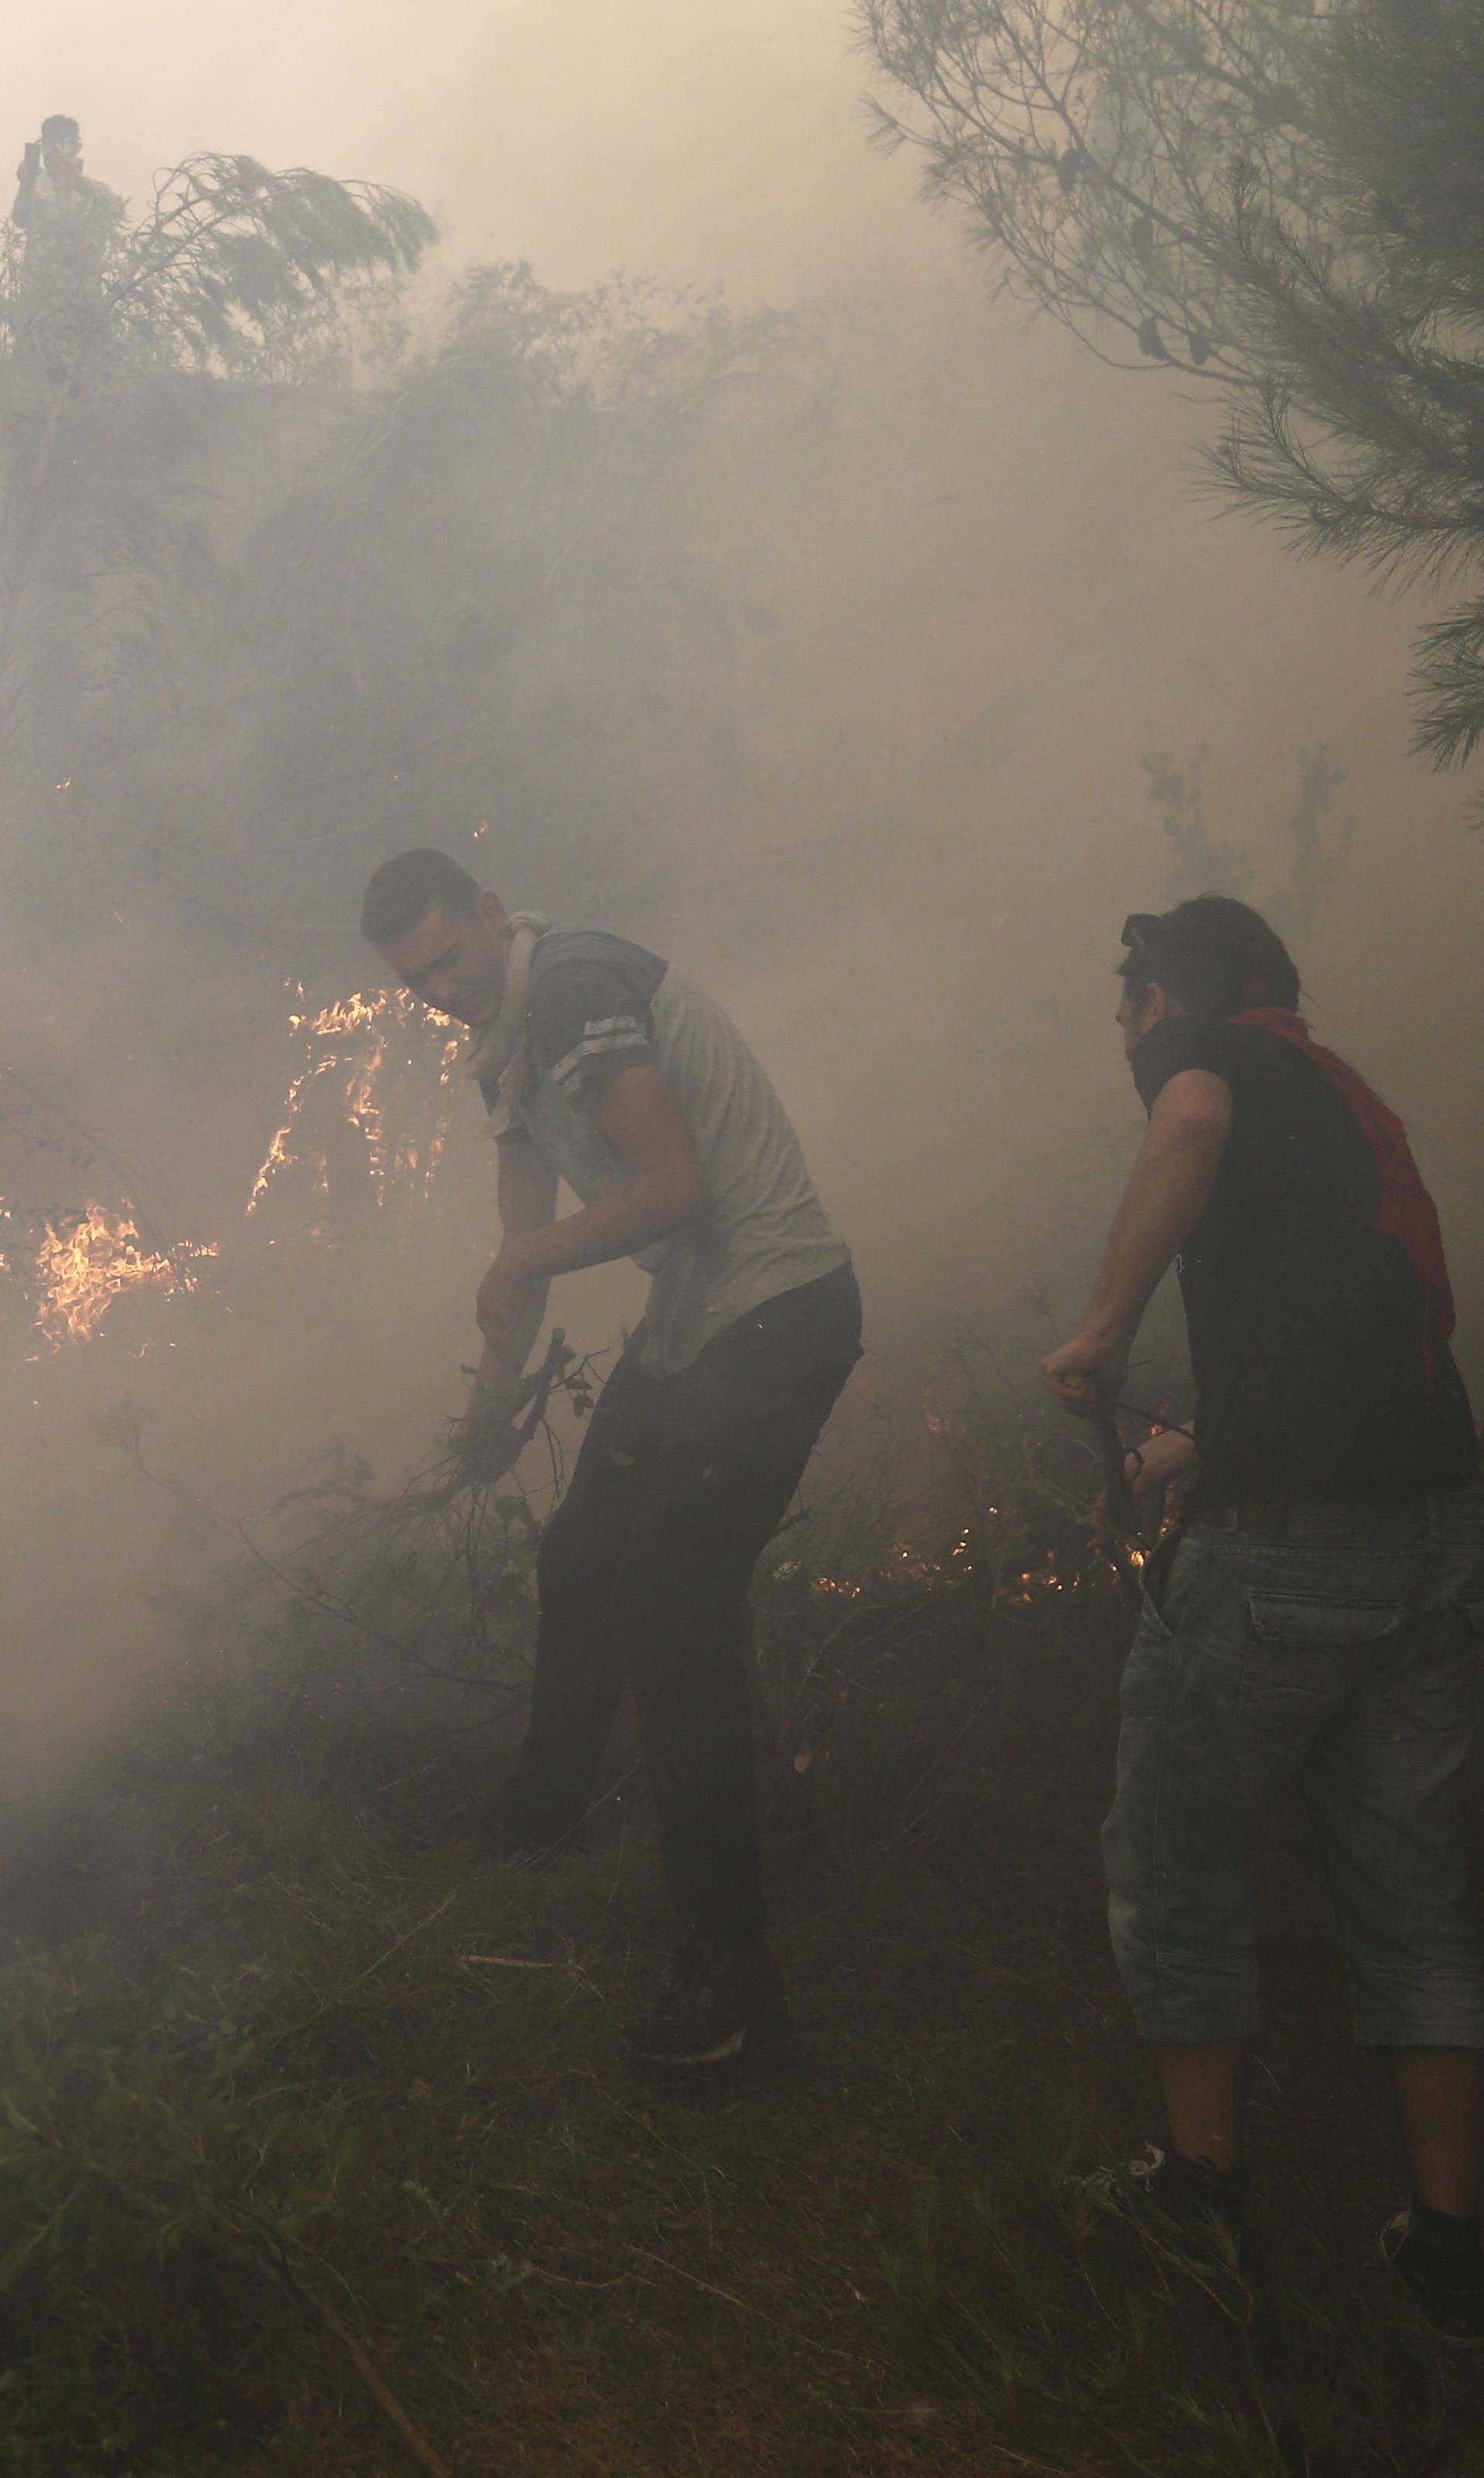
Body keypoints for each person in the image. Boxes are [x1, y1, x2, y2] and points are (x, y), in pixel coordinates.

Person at [1044, 894, 1484, 2339]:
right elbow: (1357, 1331)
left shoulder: (1212, 1056)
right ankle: (1452, 2234)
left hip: (1289, 1556)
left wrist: (1106, 1322)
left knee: (1172, 1844)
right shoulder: (1347, 1094)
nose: (1125, 1035)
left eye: (1129, 1007)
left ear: (1170, 994)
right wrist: (1187, 1446)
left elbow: (1185, 1131)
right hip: (1436, 1539)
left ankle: (1200, 2197)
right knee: (1417, 1887)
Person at [361, 849, 862, 2065]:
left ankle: (733, 1987)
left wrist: (524, 1270)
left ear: (491, 913)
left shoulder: (574, 986)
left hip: (777, 1309)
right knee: (583, 1557)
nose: (441, 989)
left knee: (667, 1613)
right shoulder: (508, 1043)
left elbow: (676, 1186)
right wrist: (485, 1425)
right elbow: (520, 1242)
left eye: (449, 957)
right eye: (414, 979)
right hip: (696, 1321)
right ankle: (539, 1821)